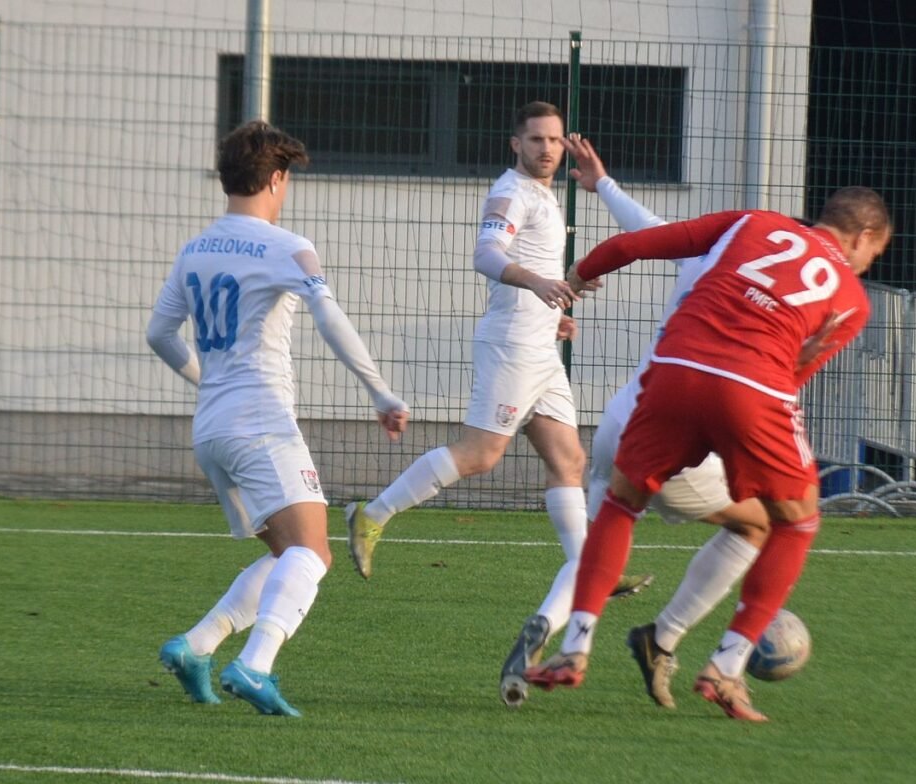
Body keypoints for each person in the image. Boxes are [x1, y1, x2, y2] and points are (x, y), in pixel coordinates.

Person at [525, 184, 892, 721]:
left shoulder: (753, 222)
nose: (865, 264)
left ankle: (576, 645)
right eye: (873, 254)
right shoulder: (852, 300)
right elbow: (793, 377)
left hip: (674, 371)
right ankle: (726, 664)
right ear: (862, 237)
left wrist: (582, 272)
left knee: (621, 503)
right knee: (796, 521)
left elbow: (640, 243)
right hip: (753, 390)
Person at [344, 101, 641, 710]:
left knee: (569, 461)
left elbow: (537, 274)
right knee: (481, 455)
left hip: (540, 347)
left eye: (554, 140)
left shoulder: (547, 195)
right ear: (515, 144)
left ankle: (587, 569)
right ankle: (371, 515)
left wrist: (559, 303)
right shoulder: (512, 192)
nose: (547, 149)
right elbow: (486, 254)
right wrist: (540, 285)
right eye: (536, 140)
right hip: (512, 349)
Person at [147, 120, 410, 717]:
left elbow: (159, 334)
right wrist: (380, 392)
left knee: (285, 553)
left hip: (212, 429)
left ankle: (196, 646)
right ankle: (255, 665)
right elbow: (329, 317)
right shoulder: (286, 246)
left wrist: (207, 381)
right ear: (276, 179)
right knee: (313, 554)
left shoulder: (195, 250)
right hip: (261, 424)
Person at [564, 135, 770, 709]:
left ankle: (560, 641)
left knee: (595, 552)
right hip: (669, 439)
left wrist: (603, 185)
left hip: (617, 422)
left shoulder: (710, 257)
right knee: (759, 527)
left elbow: (647, 229)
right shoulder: (765, 297)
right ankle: (667, 640)